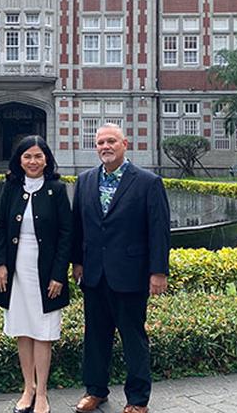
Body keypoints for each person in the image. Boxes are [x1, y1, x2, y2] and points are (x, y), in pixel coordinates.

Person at [70, 123, 171, 413]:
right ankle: (95, 391)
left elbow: (159, 230)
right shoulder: (86, 180)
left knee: (133, 338)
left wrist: (158, 271)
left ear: (124, 143)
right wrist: (77, 262)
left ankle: (138, 400)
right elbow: (79, 226)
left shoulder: (147, 182)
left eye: (111, 141)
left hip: (130, 273)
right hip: (94, 273)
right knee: (95, 337)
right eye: (100, 142)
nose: (105, 146)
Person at [0, 135, 73, 413]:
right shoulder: (12, 187)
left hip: (45, 271)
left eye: (38, 156)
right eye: (27, 156)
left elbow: (66, 235)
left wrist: (59, 275)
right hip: (16, 270)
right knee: (23, 330)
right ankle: (28, 388)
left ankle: (43, 394)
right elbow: (0, 226)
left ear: (47, 159)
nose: (33, 162)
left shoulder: (57, 189)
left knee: (42, 331)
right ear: (19, 160)